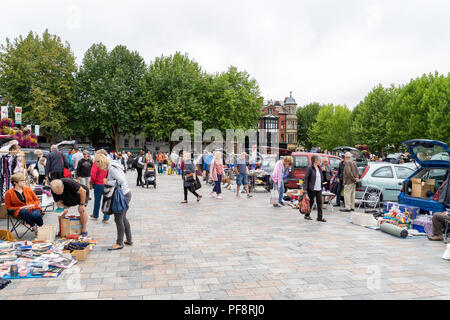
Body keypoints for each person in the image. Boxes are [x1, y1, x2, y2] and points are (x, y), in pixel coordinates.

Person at [95, 154, 133, 250]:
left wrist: (107, 182)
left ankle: (119, 243)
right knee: (123, 218)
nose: (98, 167)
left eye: (98, 164)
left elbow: (121, 181)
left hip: (121, 195)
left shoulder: (112, 168)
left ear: (101, 161)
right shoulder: (113, 165)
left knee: (118, 219)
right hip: (124, 194)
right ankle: (129, 239)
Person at [301, 155, 326, 222]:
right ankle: (307, 215)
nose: (320, 162)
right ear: (315, 161)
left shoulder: (319, 168)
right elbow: (306, 178)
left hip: (319, 188)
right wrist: (305, 189)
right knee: (311, 202)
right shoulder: (309, 168)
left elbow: (323, 177)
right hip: (311, 188)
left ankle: (320, 217)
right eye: (319, 160)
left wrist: (324, 171)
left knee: (320, 203)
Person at [90, 153, 110, 223]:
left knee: (97, 201)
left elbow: (93, 175)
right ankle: (106, 218)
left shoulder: (96, 164)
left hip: (98, 184)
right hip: (106, 183)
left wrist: (92, 182)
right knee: (106, 201)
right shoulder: (107, 164)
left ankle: (95, 215)